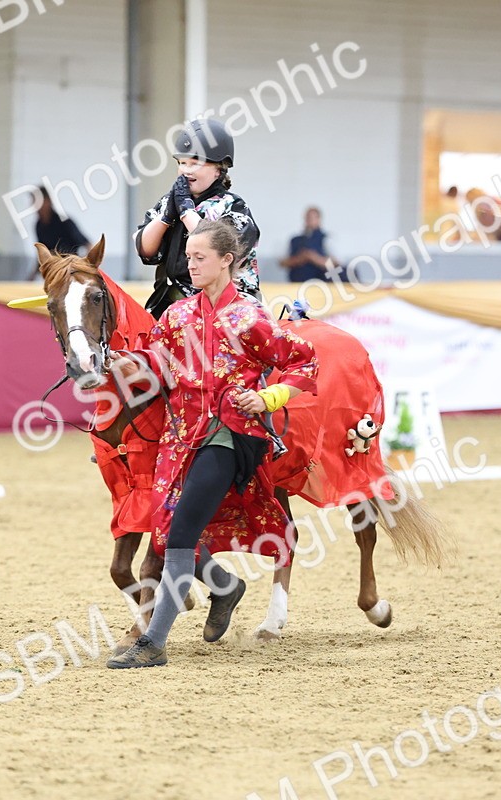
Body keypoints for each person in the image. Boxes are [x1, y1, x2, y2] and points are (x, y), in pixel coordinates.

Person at [107, 218, 318, 669]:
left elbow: (303, 361)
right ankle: (224, 587)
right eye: (188, 257)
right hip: (179, 439)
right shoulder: (177, 315)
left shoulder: (250, 317)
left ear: (227, 260)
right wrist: (120, 361)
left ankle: (153, 642)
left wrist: (267, 397)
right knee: (168, 531)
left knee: (180, 532)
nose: (191, 264)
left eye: (200, 257)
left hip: (229, 435)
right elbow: (157, 363)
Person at [135, 117, 261, 318]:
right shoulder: (168, 202)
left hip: (226, 310)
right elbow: (145, 250)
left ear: (219, 169)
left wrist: (186, 212)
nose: (186, 170)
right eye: (182, 163)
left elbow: (214, 247)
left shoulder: (234, 207)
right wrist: (166, 217)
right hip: (168, 306)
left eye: (195, 164)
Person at [281, 207, 336, 282]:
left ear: (319, 219)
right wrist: (299, 259)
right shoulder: (295, 240)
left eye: (313, 218)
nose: (310, 220)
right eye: (308, 218)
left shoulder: (326, 239)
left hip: (319, 284)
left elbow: (335, 263)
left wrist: (313, 257)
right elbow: (283, 262)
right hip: (296, 283)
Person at [35, 188, 90, 256]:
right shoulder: (39, 226)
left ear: (48, 201)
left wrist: (89, 262)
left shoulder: (64, 222)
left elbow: (88, 244)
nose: (35, 206)